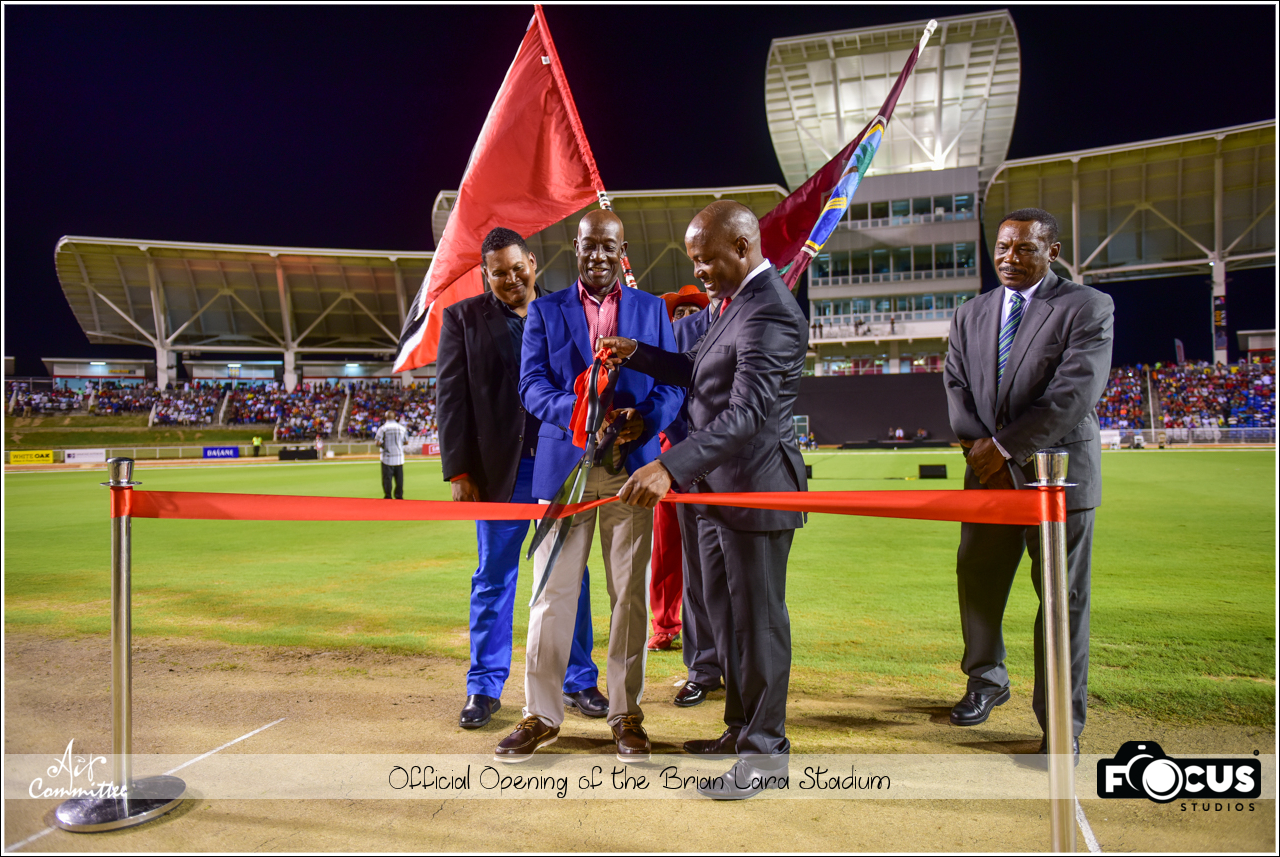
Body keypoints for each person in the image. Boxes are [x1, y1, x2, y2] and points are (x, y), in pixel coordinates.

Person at [602, 199, 809, 800]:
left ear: (743, 248)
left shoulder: (770, 311)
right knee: (726, 619)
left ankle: (766, 753)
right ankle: (740, 730)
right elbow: (697, 368)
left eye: (708, 260)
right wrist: (639, 353)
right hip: (716, 492)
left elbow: (746, 415)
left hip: (756, 492)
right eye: (695, 261)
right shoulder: (734, 305)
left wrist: (670, 465)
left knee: (760, 624)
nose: (700, 272)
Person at [498, 209, 681, 765]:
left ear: (623, 250)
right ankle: (541, 714)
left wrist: (644, 421)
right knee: (551, 592)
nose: (597, 255)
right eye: (587, 246)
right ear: (573, 249)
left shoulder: (651, 309)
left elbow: (673, 383)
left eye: (608, 246)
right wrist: (577, 411)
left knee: (628, 595)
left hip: (631, 467)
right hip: (565, 470)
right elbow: (531, 385)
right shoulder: (546, 310)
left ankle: (626, 714)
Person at [942, 207, 1113, 768]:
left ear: (1052, 253)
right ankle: (985, 680)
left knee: (1062, 604)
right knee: (979, 584)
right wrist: (977, 449)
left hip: (1057, 480)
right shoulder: (971, 313)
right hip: (987, 478)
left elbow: (1074, 395)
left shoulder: (1086, 306)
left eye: (1025, 249)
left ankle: (1061, 721)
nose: (1010, 258)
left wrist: (1004, 447)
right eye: (1004, 248)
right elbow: (956, 386)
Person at [436, 227, 605, 731]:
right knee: (493, 577)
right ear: (485, 275)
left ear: (532, 262)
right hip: (496, 473)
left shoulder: (567, 310)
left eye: (517, 268)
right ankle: (483, 686)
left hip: (559, 465)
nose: (510, 279)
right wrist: (459, 470)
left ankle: (579, 679)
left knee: (570, 575)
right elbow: (451, 399)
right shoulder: (462, 319)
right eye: (498, 273)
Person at [648, 285, 711, 653]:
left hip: (710, 452)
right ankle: (665, 624)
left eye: (693, 312)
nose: (685, 318)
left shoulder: (717, 344)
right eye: (679, 312)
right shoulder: (663, 348)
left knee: (710, 549)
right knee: (666, 547)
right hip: (670, 454)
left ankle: (711, 629)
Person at [373, 410, 406, 499]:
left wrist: (385, 445)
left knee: (387, 479)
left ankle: (388, 496)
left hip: (387, 458)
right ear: (395, 417)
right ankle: (399, 496)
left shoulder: (383, 428)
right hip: (399, 457)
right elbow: (406, 441)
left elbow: (377, 442)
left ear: (385, 417)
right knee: (399, 479)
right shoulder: (402, 428)